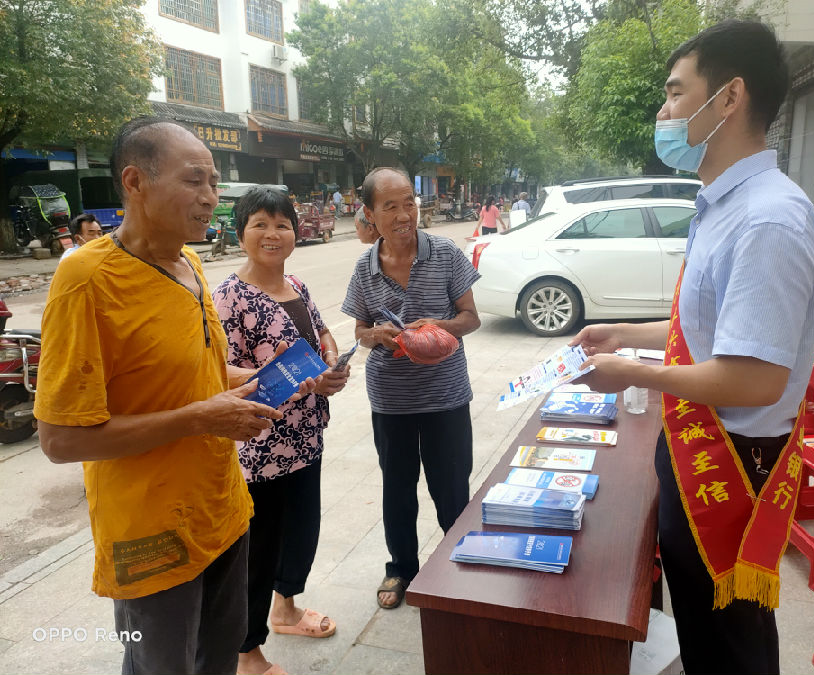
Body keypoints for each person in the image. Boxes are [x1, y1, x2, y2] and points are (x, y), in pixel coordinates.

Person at [569, 20, 814, 675]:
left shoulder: (769, 218)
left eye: (676, 92)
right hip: (694, 444)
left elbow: (753, 377)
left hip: (733, 464)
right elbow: (706, 333)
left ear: (729, 97)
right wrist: (625, 334)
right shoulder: (723, 204)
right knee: (704, 624)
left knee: (729, 637)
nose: (664, 110)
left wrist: (627, 371)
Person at [33, 117, 318, 675]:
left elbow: (198, 371)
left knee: (219, 657)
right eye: (194, 181)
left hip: (224, 511)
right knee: (162, 665)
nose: (210, 197)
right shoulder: (87, 280)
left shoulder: (188, 265)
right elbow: (61, 439)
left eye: (213, 182)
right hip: (151, 535)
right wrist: (199, 418)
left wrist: (256, 379)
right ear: (135, 182)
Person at [213, 187, 349, 675]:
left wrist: (331, 363)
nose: (273, 234)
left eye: (283, 224)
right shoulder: (228, 297)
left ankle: (286, 608)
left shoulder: (296, 284)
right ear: (241, 231)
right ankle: (247, 653)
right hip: (261, 448)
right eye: (260, 224)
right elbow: (212, 368)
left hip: (306, 436)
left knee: (300, 533)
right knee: (258, 550)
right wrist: (272, 376)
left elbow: (321, 333)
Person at [341, 167, 481, 610]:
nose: (404, 215)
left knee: (452, 485)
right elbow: (360, 330)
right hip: (392, 400)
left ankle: (459, 562)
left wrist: (434, 326)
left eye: (409, 203)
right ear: (369, 213)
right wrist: (377, 335)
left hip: (445, 396)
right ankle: (401, 567)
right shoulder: (364, 268)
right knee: (397, 487)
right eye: (391, 207)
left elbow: (471, 319)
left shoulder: (445, 253)